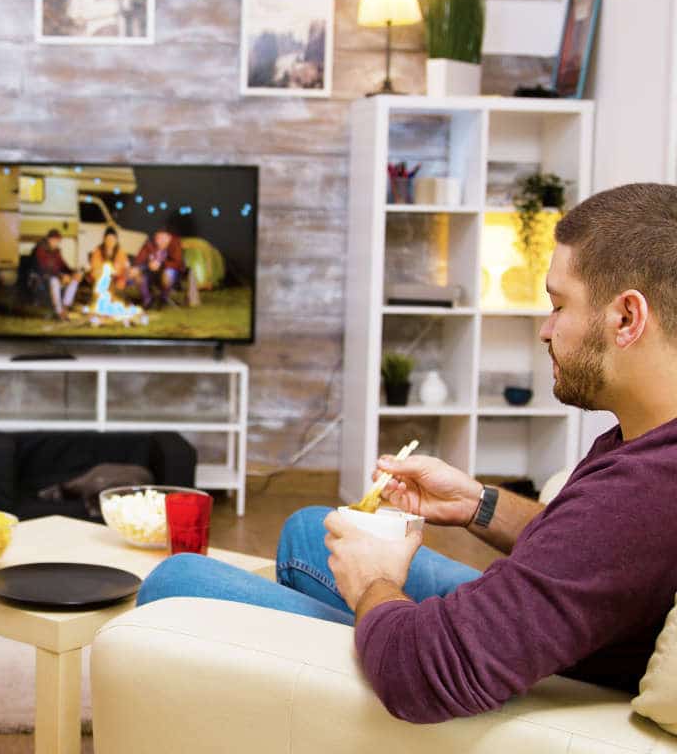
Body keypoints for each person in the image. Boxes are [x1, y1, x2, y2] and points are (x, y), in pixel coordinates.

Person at [137, 183, 677, 723]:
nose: (544, 329)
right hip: (564, 634)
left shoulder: (639, 493)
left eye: (558, 306)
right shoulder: (648, 444)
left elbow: (425, 672)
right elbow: (591, 555)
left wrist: (375, 582)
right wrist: (476, 503)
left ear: (627, 318)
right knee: (311, 531)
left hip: (486, 672)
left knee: (177, 583)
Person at [30, 229, 79, 318]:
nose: (57, 242)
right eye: (55, 240)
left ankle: (65, 306)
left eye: (58, 241)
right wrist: (61, 276)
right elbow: (44, 268)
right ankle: (58, 311)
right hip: (42, 278)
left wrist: (73, 273)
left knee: (74, 280)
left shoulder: (56, 251)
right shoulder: (40, 250)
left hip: (55, 275)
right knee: (54, 281)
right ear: (49, 239)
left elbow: (63, 265)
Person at [132, 226, 183, 309]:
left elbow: (177, 262)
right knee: (135, 272)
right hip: (151, 273)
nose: (159, 241)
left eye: (162, 238)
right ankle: (147, 299)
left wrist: (161, 264)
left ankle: (163, 297)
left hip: (169, 273)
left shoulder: (175, 244)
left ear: (168, 237)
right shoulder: (150, 244)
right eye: (157, 238)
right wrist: (145, 265)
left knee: (168, 273)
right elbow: (139, 260)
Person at [88, 228, 131, 296]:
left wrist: (114, 271)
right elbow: (95, 265)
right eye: (108, 239)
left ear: (116, 240)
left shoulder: (120, 252)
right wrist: (106, 271)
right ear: (104, 239)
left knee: (122, 279)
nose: (110, 242)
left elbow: (123, 266)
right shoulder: (98, 250)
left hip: (116, 278)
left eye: (113, 239)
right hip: (101, 276)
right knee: (98, 275)